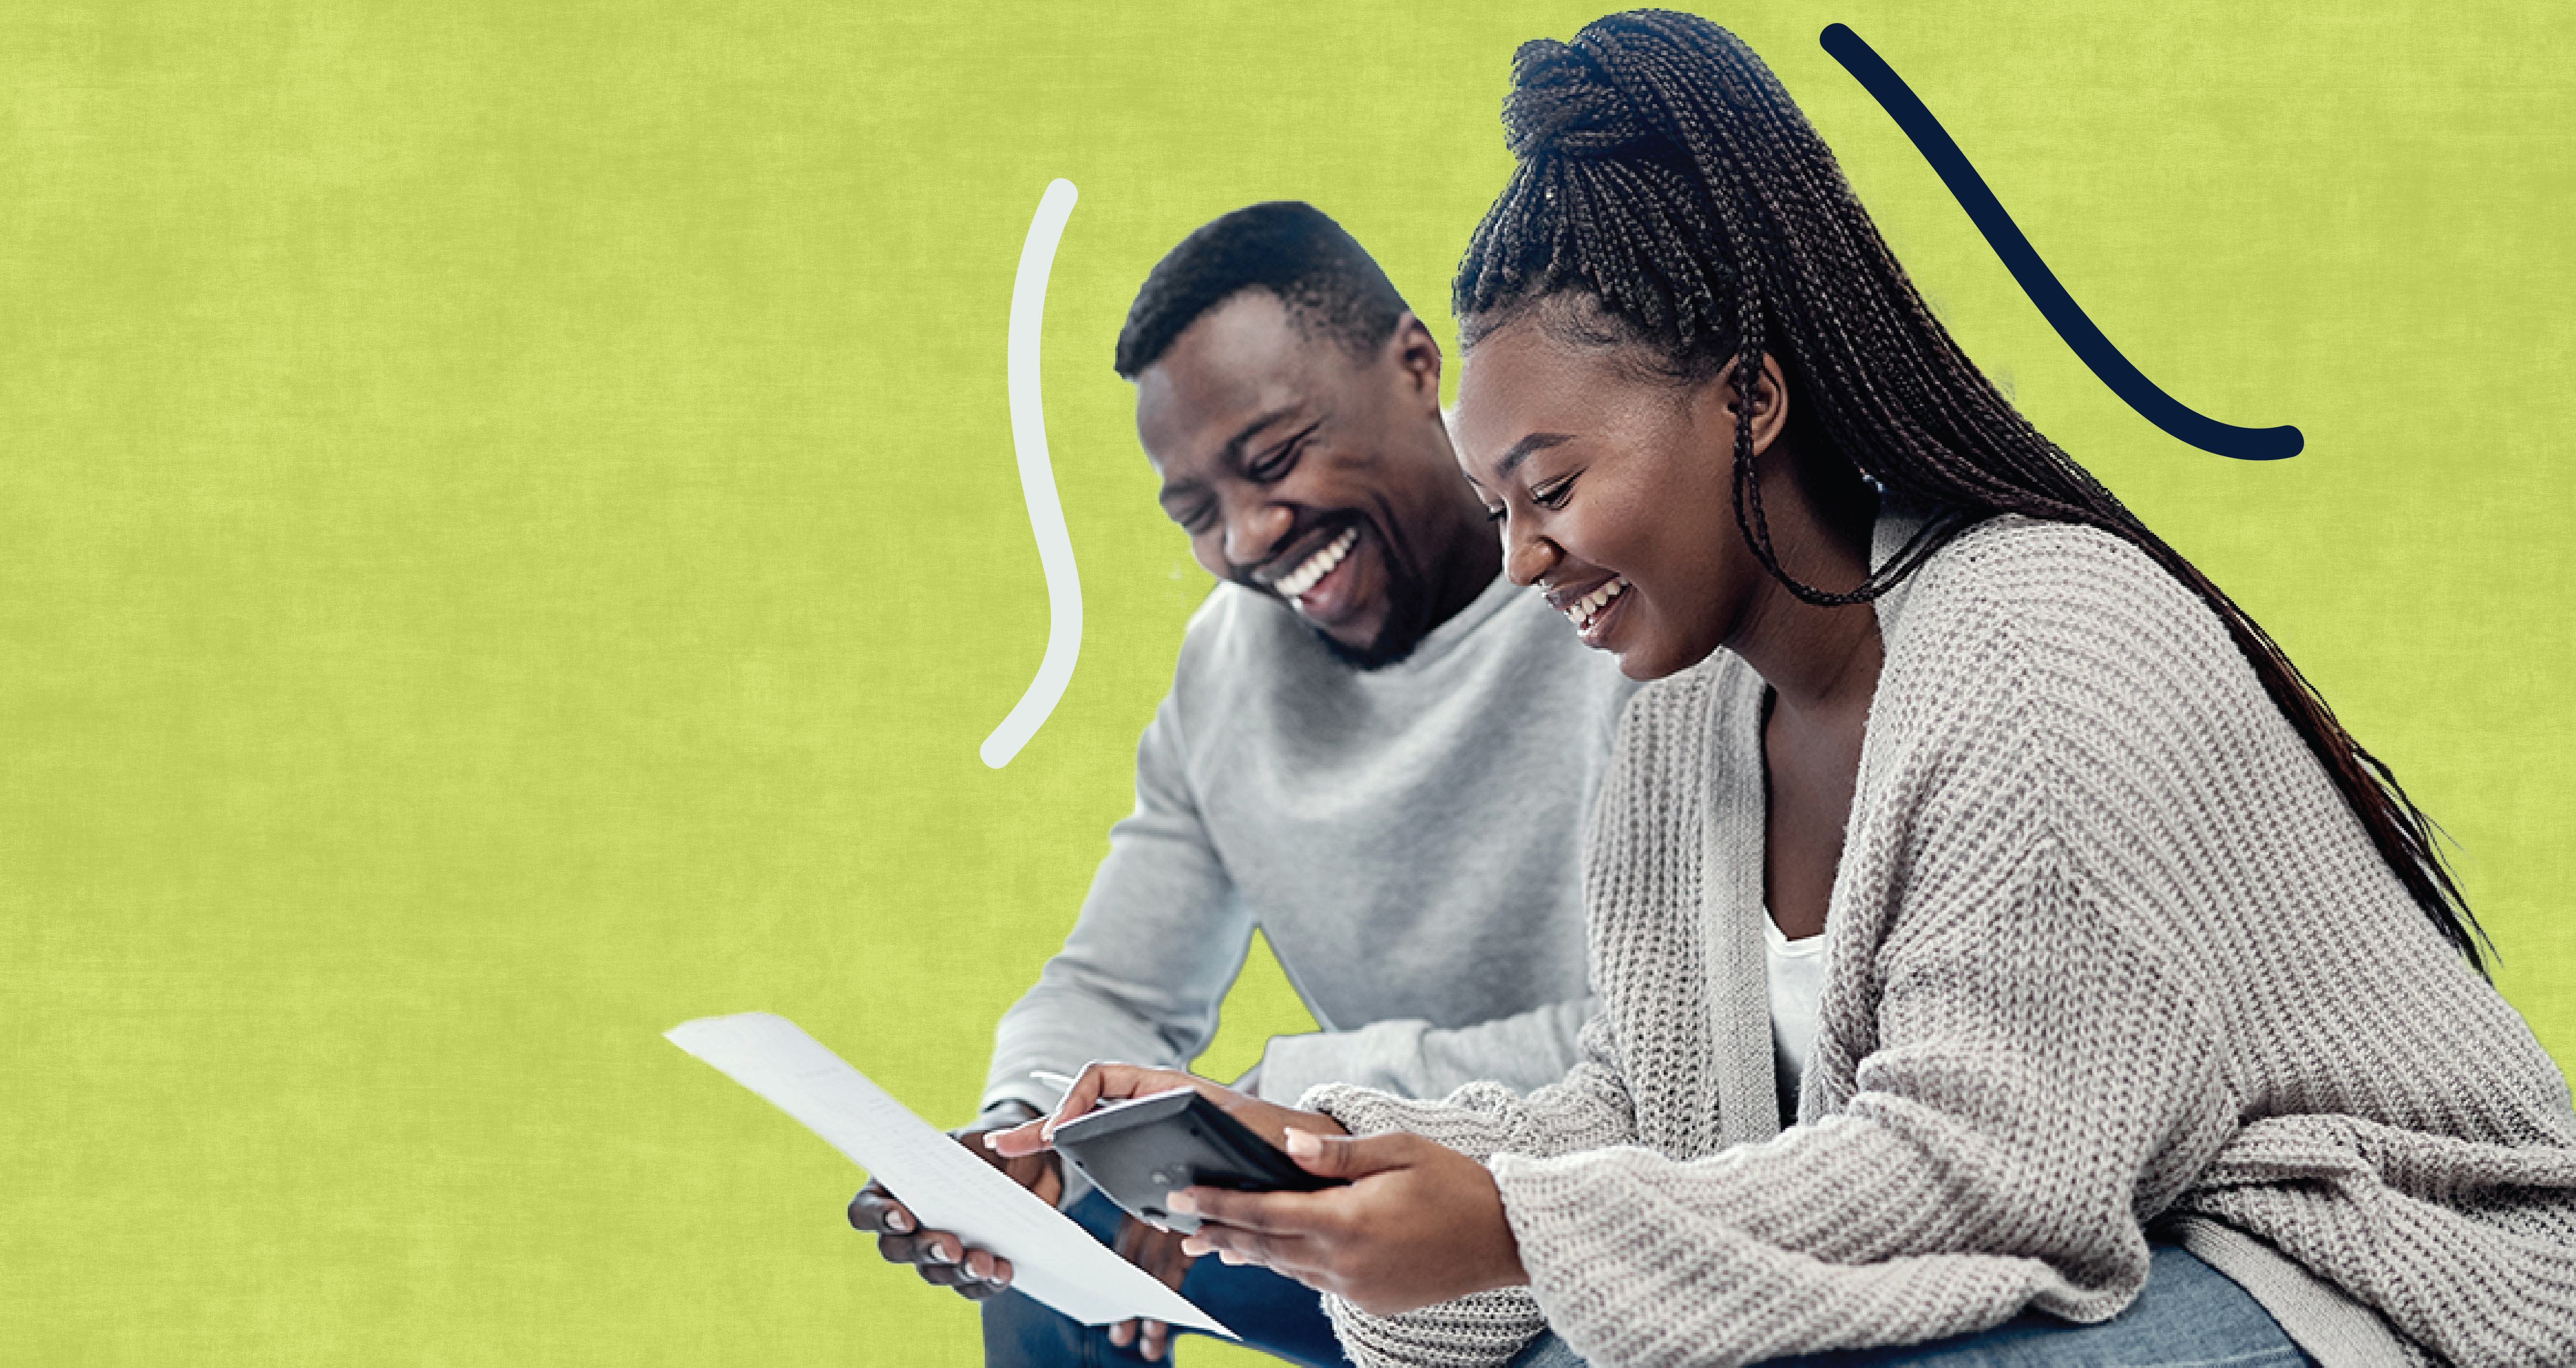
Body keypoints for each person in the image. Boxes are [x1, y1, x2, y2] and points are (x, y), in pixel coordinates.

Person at [994, 13, 2576, 1367]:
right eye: (1499, 510)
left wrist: (1514, 1226)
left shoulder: (2038, 648)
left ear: (1749, 394)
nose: (1529, 562)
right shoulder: (1685, 726)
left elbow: (1985, 1173)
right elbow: (1652, 1109)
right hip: (2098, 1235)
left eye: (1553, 485)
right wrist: (1329, 1155)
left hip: (2339, 1257)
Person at [847, 202, 1637, 1365]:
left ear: (1419, 367)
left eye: (1272, 459)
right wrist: (1028, 1136)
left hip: (1602, 1193)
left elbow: (1675, 1047)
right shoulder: (1227, 666)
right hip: (1354, 1176)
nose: (1252, 535)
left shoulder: (1620, 579)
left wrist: (1279, 1102)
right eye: (1195, 514)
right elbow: (1115, 981)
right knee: (1054, 1264)